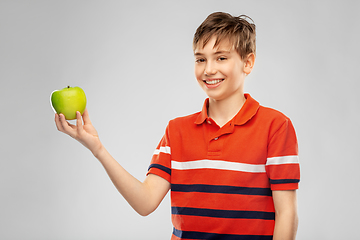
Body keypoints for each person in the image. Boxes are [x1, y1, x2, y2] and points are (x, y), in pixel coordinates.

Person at [55, 12, 300, 240]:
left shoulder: (276, 126)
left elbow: (286, 213)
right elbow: (145, 202)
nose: (209, 69)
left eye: (221, 58)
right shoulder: (177, 131)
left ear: (248, 63)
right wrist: (97, 148)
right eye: (200, 59)